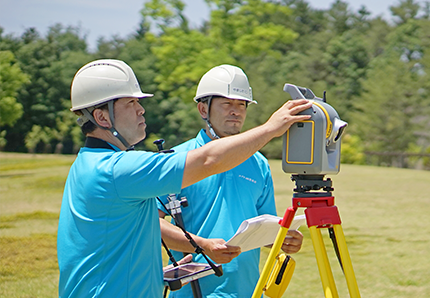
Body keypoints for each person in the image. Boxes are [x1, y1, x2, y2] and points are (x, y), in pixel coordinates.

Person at [57, 59, 311, 298]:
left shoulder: (92, 162)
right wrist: (270, 128)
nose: (142, 110)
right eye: (130, 104)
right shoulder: (117, 169)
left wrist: (156, 274)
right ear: (102, 117)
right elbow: (209, 160)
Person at [157, 64, 304, 298]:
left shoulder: (259, 163)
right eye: (227, 103)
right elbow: (152, 225)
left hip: (247, 291)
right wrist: (202, 245)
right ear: (203, 109)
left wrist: (281, 239)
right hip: (192, 292)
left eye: (241, 104)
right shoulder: (176, 160)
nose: (236, 111)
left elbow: (263, 227)